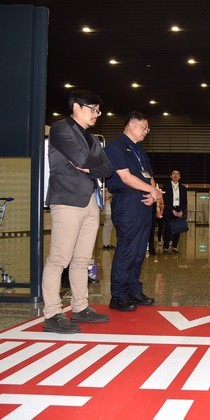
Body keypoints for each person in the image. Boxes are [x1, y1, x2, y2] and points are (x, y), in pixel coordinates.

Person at [42, 89, 112, 333]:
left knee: (82, 259)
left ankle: (80, 307)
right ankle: (51, 313)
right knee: (59, 258)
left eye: (98, 110)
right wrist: (91, 165)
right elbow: (83, 161)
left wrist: (90, 166)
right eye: (93, 109)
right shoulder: (61, 129)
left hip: (90, 201)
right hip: (68, 200)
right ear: (76, 108)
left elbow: (107, 168)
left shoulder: (90, 137)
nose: (97, 114)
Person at [105, 111, 162, 311]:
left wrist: (154, 194)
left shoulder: (140, 151)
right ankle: (118, 295)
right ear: (131, 124)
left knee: (139, 252)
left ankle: (133, 290)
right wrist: (152, 190)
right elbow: (126, 178)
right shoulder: (115, 147)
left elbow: (149, 177)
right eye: (144, 127)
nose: (146, 131)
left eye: (147, 128)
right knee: (127, 250)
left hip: (144, 204)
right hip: (127, 204)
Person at [162, 170, 188, 254]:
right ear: (171, 176)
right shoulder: (166, 186)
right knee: (168, 229)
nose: (175, 175)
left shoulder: (183, 188)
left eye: (177, 174)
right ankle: (165, 248)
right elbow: (165, 199)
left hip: (179, 210)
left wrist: (181, 211)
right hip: (169, 211)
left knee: (178, 229)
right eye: (173, 174)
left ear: (180, 177)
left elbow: (184, 201)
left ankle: (174, 247)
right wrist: (172, 210)